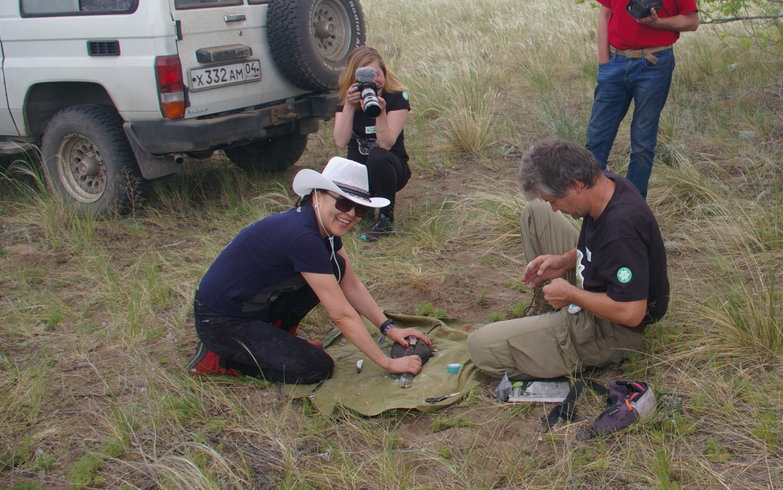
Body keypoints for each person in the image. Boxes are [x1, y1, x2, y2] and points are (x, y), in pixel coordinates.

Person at [188, 157, 430, 383]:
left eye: (360, 209)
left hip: (253, 306)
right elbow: (341, 315)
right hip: (221, 322)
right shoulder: (303, 237)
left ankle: (278, 337)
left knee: (336, 267)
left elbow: (350, 284)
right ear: (317, 195)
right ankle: (219, 360)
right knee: (315, 368)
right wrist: (387, 363)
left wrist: (389, 328)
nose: (350, 215)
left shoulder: (322, 228)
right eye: (343, 202)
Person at [467, 140, 669, 379]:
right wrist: (564, 261)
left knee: (480, 346)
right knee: (536, 212)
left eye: (554, 200)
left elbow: (631, 312)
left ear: (575, 185)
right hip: (599, 286)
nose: (554, 208)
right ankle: (550, 319)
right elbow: (603, 249)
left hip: (616, 328)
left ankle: (556, 339)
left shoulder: (621, 228)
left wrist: (572, 295)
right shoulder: (606, 184)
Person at [585, 0, 699, 200]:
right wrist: (604, 62)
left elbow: (692, 21)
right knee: (596, 141)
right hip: (615, 63)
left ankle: (632, 211)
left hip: (655, 64)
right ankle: (590, 206)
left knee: (643, 143)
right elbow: (605, 14)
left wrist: (657, 22)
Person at [333, 46, 411, 240]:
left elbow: (386, 143)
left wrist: (380, 112)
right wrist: (349, 107)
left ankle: (385, 217)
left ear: (384, 72)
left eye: (376, 74)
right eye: (364, 77)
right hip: (358, 173)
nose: (373, 81)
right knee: (336, 167)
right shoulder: (347, 100)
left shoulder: (396, 98)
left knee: (378, 155)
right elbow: (340, 141)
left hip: (390, 169)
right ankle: (363, 208)